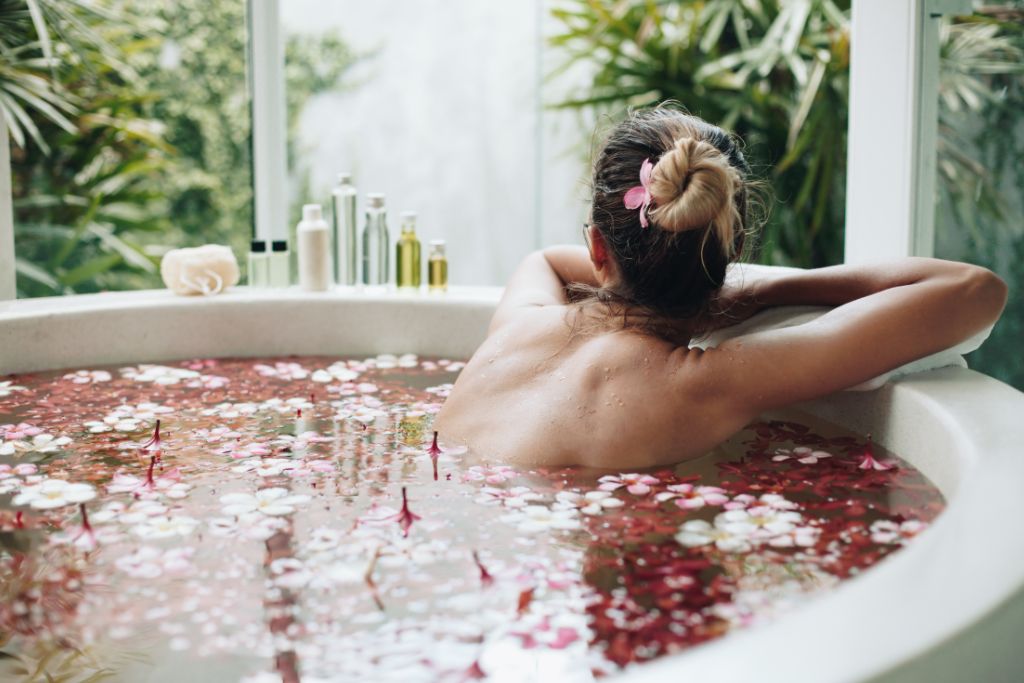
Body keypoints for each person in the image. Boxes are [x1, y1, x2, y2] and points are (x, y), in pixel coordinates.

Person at [433, 107, 1007, 469]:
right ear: (729, 254)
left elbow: (548, 260)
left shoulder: (521, 323)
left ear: (597, 248)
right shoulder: (706, 382)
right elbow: (972, 289)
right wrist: (756, 295)